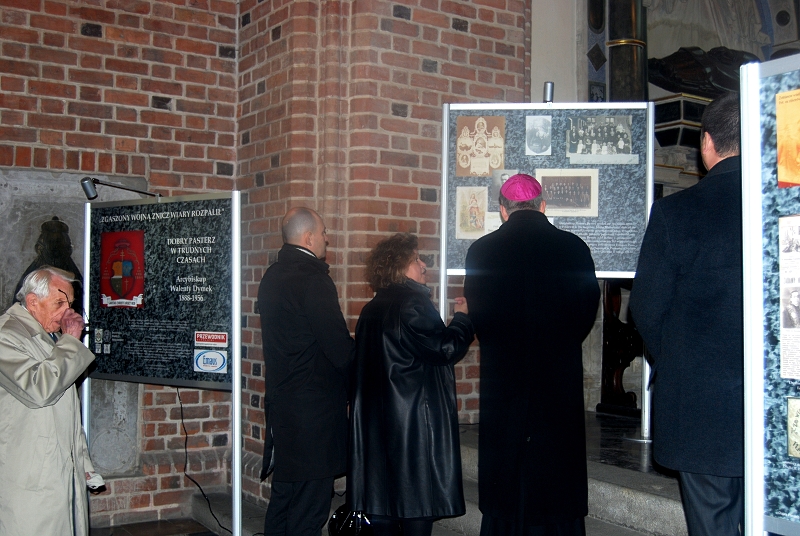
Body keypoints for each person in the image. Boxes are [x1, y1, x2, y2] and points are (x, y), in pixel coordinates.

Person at [629, 91, 743, 536]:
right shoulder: (785, 208)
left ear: (707, 143)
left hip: (700, 404)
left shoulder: (676, 212)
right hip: (775, 403)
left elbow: (646, 306)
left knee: (712, 523)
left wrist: (679, 357)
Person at [463, 174, 600, 536]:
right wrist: (560, 342)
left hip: (504, 375)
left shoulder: (482, 251)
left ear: (503, 210)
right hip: (557, 374)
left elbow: (479, 315)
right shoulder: (573, 247)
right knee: (557, 468)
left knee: (506, 469)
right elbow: (587, 309)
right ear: (542, 206)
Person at [348, 233, 475, 536]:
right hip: (412, 425)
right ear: (399, 265)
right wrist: (461, 320)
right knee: (416, 506)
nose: (423, 265)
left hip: (379, 425)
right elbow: (445, 348)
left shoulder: (371, 309)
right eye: (416, 259)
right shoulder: (412, 304)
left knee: (383, 507)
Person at [258, 207, 355, 536]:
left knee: (283, 501)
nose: (328, 238)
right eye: (324, 232)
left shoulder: (272, 276)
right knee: (308, 511)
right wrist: (361, 383)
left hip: (284, 408)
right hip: (314, 414)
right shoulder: (313, 280)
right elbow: (338, 347)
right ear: (309, 237)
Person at [0, 267, 97, 536]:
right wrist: (71, 342)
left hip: (60, 467)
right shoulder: (6, 336)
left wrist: (82, 462)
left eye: (70, 304)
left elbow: (66, 409)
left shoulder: (50, 336)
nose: (68, 313)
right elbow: (40, 390)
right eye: (59, 303)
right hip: (28, 473)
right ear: (33, 302)